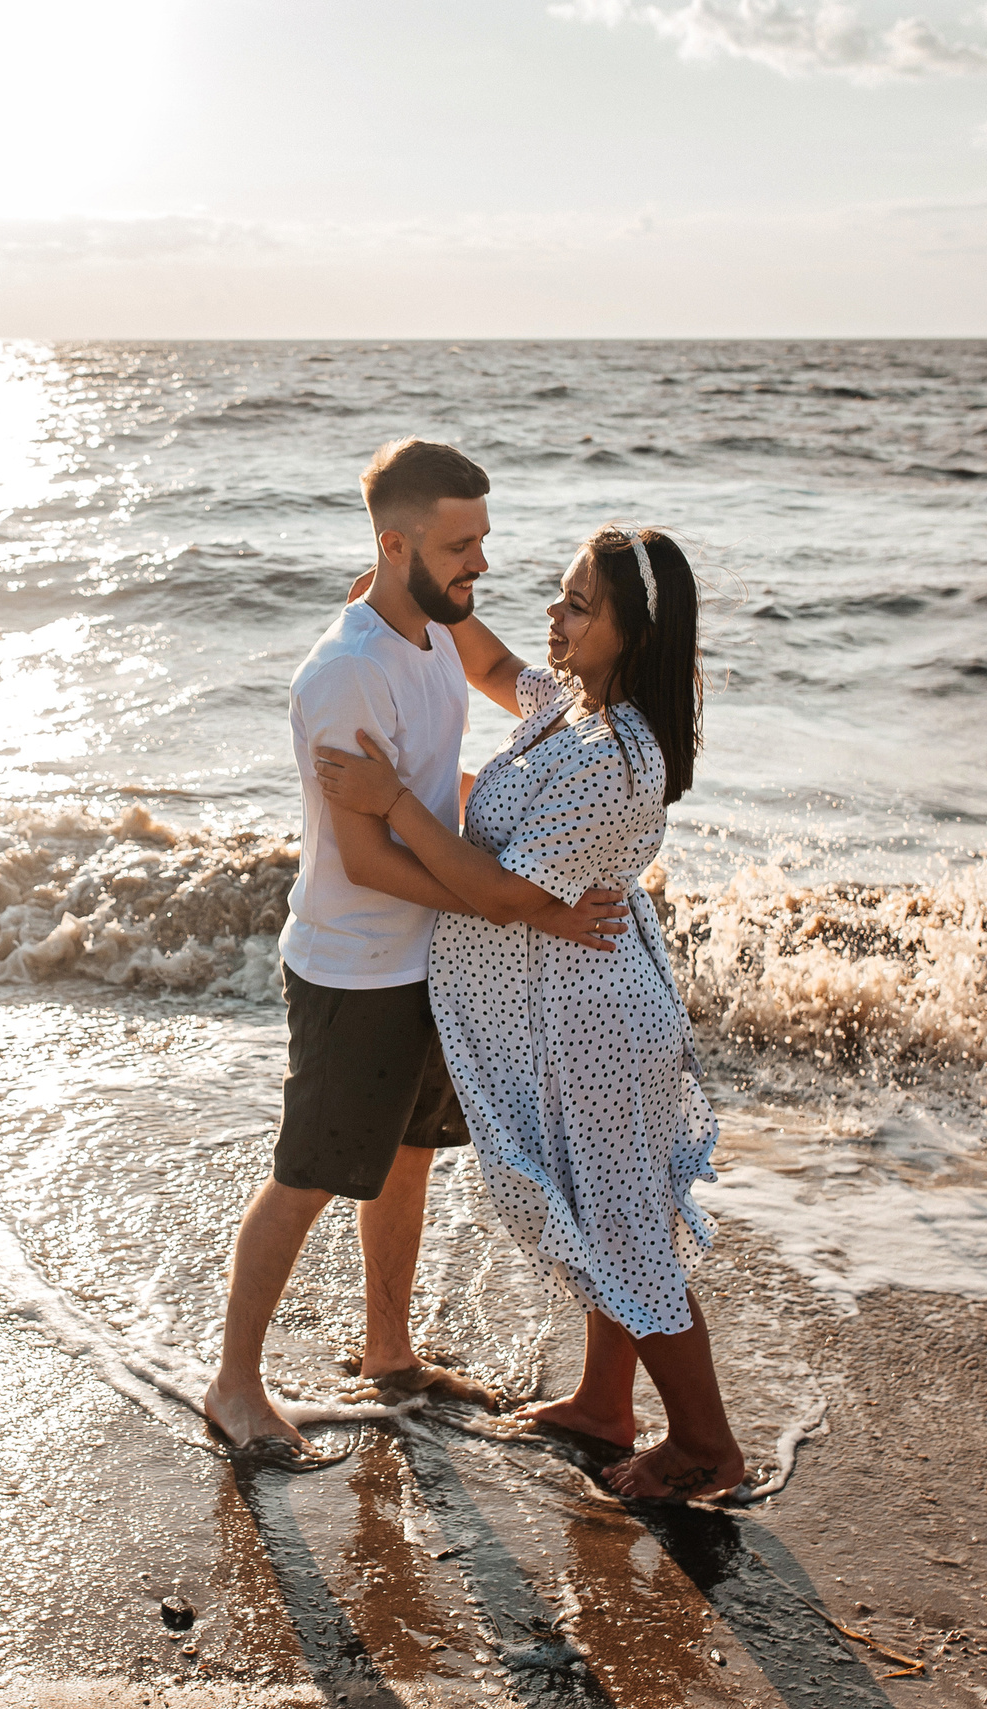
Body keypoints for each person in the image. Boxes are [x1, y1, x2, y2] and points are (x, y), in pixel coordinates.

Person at [200, 441, 632, 1467]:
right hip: (354, 966)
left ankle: (388, 1352)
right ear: (395, 545)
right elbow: (369, 857)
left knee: (404, 1162)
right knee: (306, 1173)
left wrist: (600, 714)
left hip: (425, 958)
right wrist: (509, 904)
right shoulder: (345, 674)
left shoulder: (432, 621)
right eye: (459, 544)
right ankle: (232, 1386)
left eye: (481, 539)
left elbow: (493, 669)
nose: (478, 562)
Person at [313, 524, 748, 1501]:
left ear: (631, 635)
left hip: (592, 1021)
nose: (553, 616)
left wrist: (394, 799)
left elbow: (507, 893)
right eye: (558, 595)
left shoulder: (618, 756)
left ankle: (707, 1443)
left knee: (624, 1224)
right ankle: (604, 1402)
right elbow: (490, 658)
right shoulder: (573, 710)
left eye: (577, 605)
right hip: (569, 1010)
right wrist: (404, 588)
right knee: (605, 1207)